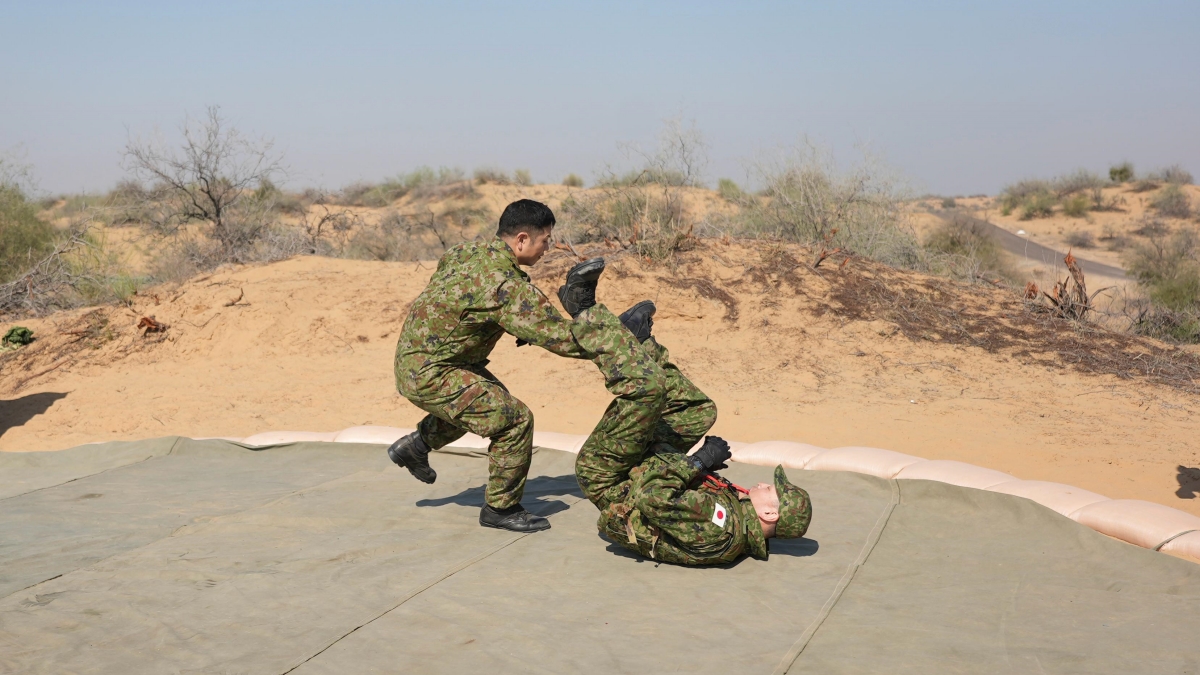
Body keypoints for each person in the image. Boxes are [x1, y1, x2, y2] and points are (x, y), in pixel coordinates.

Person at [388, 199, 637, 534]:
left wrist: (504, 323)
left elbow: (462, 298)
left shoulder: (465, 252)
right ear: (521, 240)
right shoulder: (507, 287)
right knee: (514, 421)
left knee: (489, 405)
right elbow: (564, 340)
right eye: (545, 241)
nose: (547, 249)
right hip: (432, 373)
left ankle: (414, 447)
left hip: (424, 359)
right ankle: (500, 509)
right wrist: (618, 335)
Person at [563, 279, 813, 565]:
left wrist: (698, 463)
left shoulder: (720, 527)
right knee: (700, 410)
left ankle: (584, 311)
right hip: (641, 466)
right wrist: (699, 469)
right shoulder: (735, 518)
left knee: (648, 393)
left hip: (606, 476)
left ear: (770, 514)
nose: (761, 484)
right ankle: (641, 341)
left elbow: (652, 497)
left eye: (769, 490)